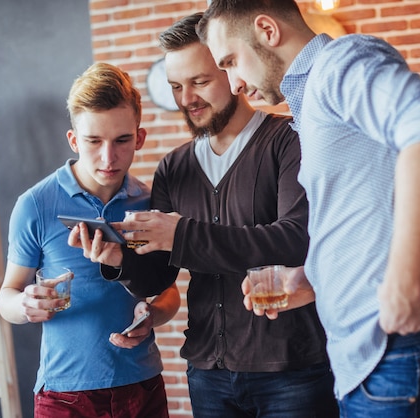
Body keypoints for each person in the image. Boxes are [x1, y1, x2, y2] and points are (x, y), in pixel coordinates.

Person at [197, 1, 420, 417]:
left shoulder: (339, 64)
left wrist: (404, 288)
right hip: (384, 364)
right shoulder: (313, 105)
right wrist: (313, 278)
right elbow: (369, 212)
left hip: (401, 354)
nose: (234, 83)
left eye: (230, 62)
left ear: (266, 30)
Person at [115, 12, 337, 418]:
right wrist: (119, 258)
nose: (187, 99)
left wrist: (181, 235)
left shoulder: (290, 140)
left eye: (199, 81)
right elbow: (158, 275)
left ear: (231, 70)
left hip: (292, 371)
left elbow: (295, 239)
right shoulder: (172, 168)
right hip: (207, 373)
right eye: (176, 87)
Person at [0, 62, 180, 418]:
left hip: (143, 386)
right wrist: (25, 306)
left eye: (122, 140)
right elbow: (7, 295)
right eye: (94, 141)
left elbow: (169, 290)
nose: (108, 158)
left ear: (139, 138)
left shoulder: (152, 202)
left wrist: (153, 315)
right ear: (74, 139)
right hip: (65, 396)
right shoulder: (35, 205)